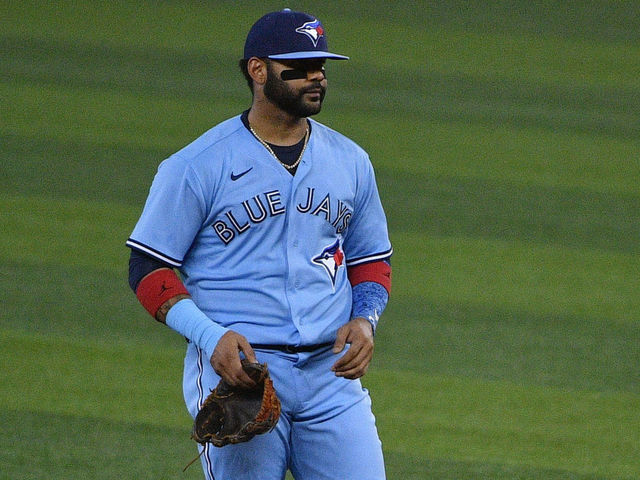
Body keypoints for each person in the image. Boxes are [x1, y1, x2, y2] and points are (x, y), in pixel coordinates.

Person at [126, 8, 392, 480]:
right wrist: (210, 337)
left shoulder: (351, 161)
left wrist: (366, 320)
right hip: (243, 375)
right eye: (299, 68)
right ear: (258, 69)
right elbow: (148, 270)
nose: (316, 78)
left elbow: (372, 261)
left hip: (331, 377)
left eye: (321, 68)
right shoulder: (198, 165)